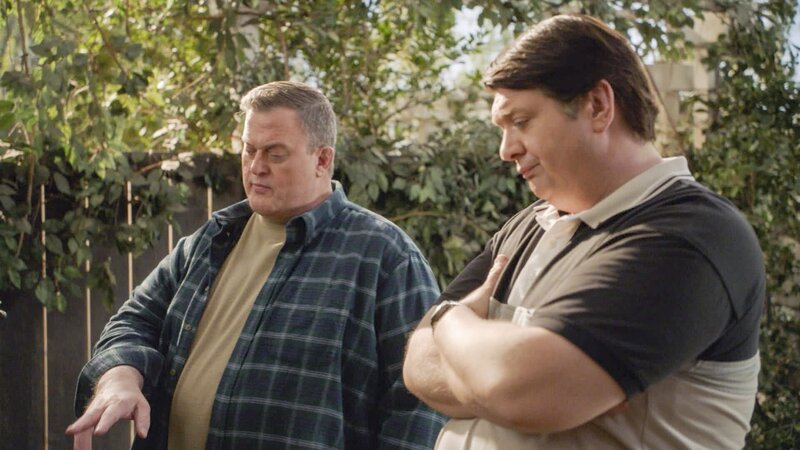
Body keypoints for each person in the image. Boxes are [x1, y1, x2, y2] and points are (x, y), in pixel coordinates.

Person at [403, 14, 765, 450]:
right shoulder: (526, 227)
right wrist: (489, 373)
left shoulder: (690, 236)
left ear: (597, 106)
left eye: (521, 121)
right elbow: (417, 366)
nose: (506, 150)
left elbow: (521, 391)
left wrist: (450, 320)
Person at [67, 81, 445, 449]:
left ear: (322, 159)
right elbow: (133, 322)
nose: (256, 166)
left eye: (275, 154)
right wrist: (119, 377)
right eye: (249, 150)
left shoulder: (385, 256)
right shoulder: (212, 240)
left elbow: (422, 403)